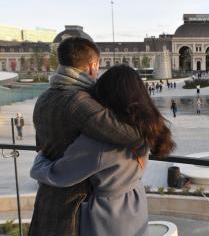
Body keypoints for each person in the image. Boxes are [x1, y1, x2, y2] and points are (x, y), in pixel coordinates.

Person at [31, 65, 175, 236]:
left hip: (109, 213)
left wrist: (39, 162)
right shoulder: (145, 128)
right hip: (135, 202)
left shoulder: (99, 141)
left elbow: (60, 175)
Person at [29, 37, 145, 236]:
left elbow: (41, 146)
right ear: (93, 66)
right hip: (74, 206)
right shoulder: (80, 102)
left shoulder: (44, 98)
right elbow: (130, 135)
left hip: (47, 196)